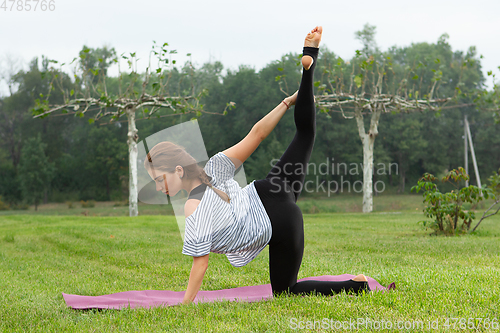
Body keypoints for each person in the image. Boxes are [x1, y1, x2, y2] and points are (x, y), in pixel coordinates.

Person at [144, 26, 371, 305]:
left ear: (178, 170)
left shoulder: (192, 205)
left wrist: (185, 305)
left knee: (287, 292)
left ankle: (356, 286)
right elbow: (257, 135)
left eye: (159, 179)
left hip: (278, 223)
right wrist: (287, 103)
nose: (159, 187)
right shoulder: (215, 165)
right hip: (273, 188)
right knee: (305, 134)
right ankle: (309, 63)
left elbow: (200, 264)